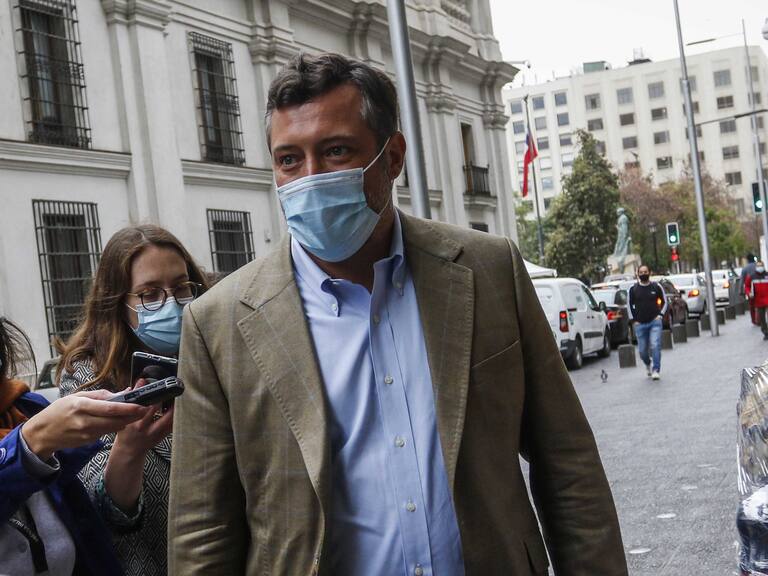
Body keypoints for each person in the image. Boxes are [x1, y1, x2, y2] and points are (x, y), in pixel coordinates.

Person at [169, 53, 627, 575]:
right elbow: (202, 531)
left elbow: (567, 463)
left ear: (392, 157)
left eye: (336, 150)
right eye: (289, 160)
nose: (310, 178)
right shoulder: (219, 323)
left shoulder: (489, 271)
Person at [57, 225, 208, 576]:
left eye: (182, 288)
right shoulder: (88, 377)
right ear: (118, 303)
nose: (171, 304)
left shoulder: (213, 355)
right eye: (149, 294)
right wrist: (130, 449)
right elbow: (102, 510)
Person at [0, 317, 149, 575]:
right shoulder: (37, 425)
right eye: (148, 294)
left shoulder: (26, 409)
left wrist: (129, 449)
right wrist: (29, 444)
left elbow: (93, 532)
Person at [627, 265, 667, 380]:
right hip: (640, 324)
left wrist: (660, 316)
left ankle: (656, 369)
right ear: (637, 274)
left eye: (645, 271)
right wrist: (634, 320)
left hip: (655, 322)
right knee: (642, 350)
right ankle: (647, 363)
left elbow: (664, 302)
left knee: (655, 345)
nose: (643, 274)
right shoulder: (633, 289)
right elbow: (629, 305)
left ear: (650, 272)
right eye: (641, 272)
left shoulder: (656, 287)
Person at [746, 261, 768, 340]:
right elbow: (747, 286)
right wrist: (749, 293)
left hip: (767, 298)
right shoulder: (752, 276)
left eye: (761, 265)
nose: (760, 267)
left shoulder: (767, 275)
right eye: (758, 266)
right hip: (758, 300)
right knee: (762, 318)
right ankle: (766, 332)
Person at [742, 253, 759, 326]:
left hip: (750, 290)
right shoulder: (757, 266)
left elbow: (742, 280)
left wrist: (741, 291)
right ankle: (759, 318)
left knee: (752, 306)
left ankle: (754, 320)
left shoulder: (745, 268)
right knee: (760, 305)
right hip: (759, 288)